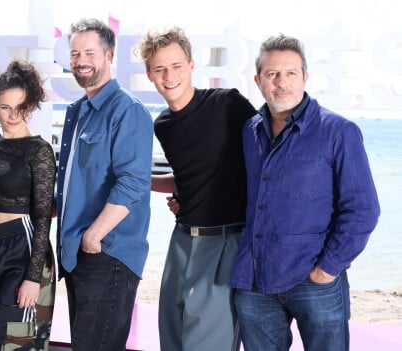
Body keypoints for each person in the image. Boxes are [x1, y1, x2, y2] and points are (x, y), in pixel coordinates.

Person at [230, 34, 381, 351]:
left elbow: (362, 209)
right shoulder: (250, 130)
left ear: (305, 77)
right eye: (272, 74)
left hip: (315, 282)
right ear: (258, 80)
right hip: (255, 282)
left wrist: (329, 267)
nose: (281, 82)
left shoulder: (339, 132)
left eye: (291, 73)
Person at [135, 27, 257, 350]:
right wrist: (143, 182)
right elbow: (188, 177)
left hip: (225, 240)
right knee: (171, 336)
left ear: (191, 65)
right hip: (181, 241)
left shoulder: (228, 104)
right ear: (149, 74)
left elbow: (264, 162)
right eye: (159, 69)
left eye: (176, 66)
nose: (169, 75)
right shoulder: (163, 126)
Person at [55, 18, 154, 351]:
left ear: (109, 55)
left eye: (90, 52)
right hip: (79, 254)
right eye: (75, 53)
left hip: (107, 253)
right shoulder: (78, 110)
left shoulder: (127, 110)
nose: (81, 60)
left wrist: (93, 236)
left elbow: (133, 183)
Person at [0, 60, 56, 350]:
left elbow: (43, 217)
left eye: (20, 107)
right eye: (5, 106)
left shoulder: (40, 151)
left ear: (30, 106)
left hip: (26, 253)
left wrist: (34, 278)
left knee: (18, 343)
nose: (12, 115)